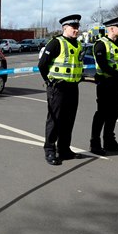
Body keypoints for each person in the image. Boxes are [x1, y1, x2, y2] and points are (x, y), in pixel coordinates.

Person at [38, 14, 84, 166]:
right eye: (73, 27)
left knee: (69, 120)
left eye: (78, 27)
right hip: (57, 87)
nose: (76, 30)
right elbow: (42, 64)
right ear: (65, 28)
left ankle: (64, 149)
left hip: (72, 87)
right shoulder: (56, 43)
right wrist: (49, 81)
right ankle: (50, 150)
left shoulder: (78, 45)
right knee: (54, 119)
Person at [89, 16, 118, 156]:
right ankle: (95, 143)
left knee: (114, 113)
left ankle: (109, 141)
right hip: (105, 83)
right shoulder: (100, 44)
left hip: (117, 85)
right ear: (112, 29)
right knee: (102, 114)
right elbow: (103, 65)